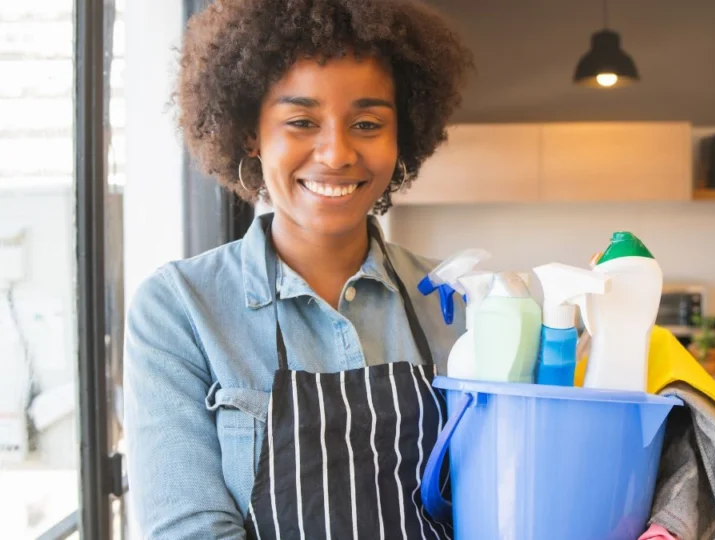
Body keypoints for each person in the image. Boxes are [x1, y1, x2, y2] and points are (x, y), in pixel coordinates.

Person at [123, 0, 473, 537]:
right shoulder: (181, 309)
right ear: (249, 134)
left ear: (402, 135)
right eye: (301, 121)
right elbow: (189, 529)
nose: (336, 153)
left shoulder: (462, 302)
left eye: (367, 122)